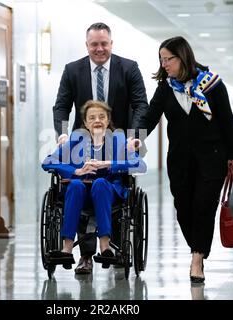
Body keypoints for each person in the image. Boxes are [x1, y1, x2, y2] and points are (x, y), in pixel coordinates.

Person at [140, 36, 233, 283]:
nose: (164, 64)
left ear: (182, 56)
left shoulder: (212, 85)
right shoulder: (165, 88)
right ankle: (198, 247)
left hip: (212, 159)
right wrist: (134, 137)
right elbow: (150, 117)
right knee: (184, 210)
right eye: (161, 60)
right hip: (180, 161)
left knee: (204, 207)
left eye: (168, 59)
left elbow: (228, 123)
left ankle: (197, 259)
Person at [52, 22, 149, 274]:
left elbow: (141, 104)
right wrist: (63, 135)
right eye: (94, 44)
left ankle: (113, 248)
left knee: (109, 186)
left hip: (120, 141)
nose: (99, 49)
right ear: (87, 45)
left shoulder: (128, 68)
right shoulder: (72, 70)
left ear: (111, 44)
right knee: (80, 188)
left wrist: (135, 137)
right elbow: (61, 106)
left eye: (104, 44)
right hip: (82, 143)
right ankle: (85, 256)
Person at [43, 100, 146, 269]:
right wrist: (76, 172)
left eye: (101, 116)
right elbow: (48, 162)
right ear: (85, 123)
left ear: (107, 120)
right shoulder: (75, 141)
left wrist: (108, 164)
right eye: (91, 117)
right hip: (80, 196)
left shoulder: (119, 140)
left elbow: (140, 165)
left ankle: (105, 246)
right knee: (75, 185)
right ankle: (67, 248)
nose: (97, 120)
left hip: (108, 195)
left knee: (100, 183)